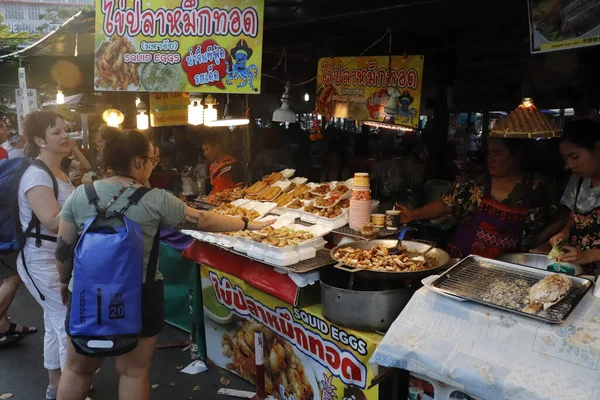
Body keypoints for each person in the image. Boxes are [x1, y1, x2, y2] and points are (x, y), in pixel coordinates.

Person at [55, 127, 273, 400]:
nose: (151, 167)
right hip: (141, 292)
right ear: (138, 162)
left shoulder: (81, 195)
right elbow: (202, 221)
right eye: (151, 161)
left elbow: (64, 249)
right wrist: (246, 223)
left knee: (77, 369)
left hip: (86, 293)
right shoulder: (155, 199)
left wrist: (65, 283)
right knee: (133, 372)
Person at [396, 137, 565, 259]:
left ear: (517, 154)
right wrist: (414, 214)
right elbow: (447, 203)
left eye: (497, 154)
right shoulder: (475, 178)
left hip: (507, 265)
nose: (491, 159)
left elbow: (563, 217)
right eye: (488, 153)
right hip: (461, 259)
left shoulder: (538, 186)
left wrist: (539, 240)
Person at [16, 111, 75, 399]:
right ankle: (71, 391)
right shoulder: (37, 175)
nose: (66, 136)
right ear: (40, 140)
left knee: (54, 322)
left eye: (66, 130)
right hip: (41, 261)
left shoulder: (59, 172)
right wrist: (85, 200)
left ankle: (56, 387)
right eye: (57, 132)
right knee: (67, 322)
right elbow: (52, 221)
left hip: (56, 258)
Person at [550, 120, 600, 273]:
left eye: (575, 157)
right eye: (566, 159)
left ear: (598, 148)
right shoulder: (578, 181)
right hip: (577, 270)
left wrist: (591, 255)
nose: (570, 165)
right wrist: (565, 231)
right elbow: (574, 216)